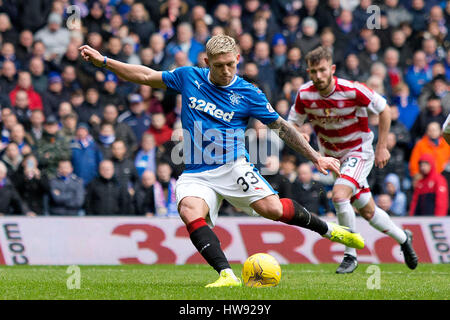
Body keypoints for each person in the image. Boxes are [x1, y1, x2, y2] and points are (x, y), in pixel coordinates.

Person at [79, 34, 364, 288]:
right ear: (207, 62)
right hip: (196, 172)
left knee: (273, 209)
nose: (226, 70)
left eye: (231, 63)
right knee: (190, 209)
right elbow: (144, 75)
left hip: (233, 167)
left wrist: (316, 156)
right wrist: (105, 61)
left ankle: (330, 230)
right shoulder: (189, 76)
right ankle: (226, 274)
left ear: (238, 59)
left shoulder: (249, 93)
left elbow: (281, 126)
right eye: (219, 65)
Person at [288, 46, 418, 274]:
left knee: (339, 196)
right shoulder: (305, 94)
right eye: (313, 72)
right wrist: (301, 134)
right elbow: (292, 125)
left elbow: (385, 109)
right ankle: (403, 237)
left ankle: (350, 255)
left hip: (359, 152)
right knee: (367, 211)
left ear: (332, 69)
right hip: (334, 158)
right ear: (308, 72)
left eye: (322, 70)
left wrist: (381, 147)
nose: (318, 76)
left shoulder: (352, 90)